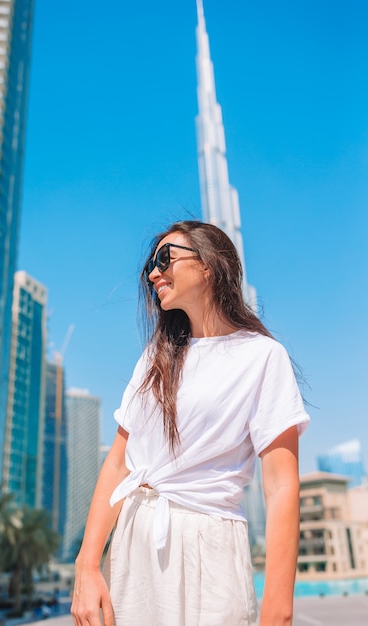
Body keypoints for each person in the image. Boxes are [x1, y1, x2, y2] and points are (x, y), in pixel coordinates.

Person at [71, 220, 309, 626]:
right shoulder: (155, 358)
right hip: (132, 541)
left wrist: (278, 610)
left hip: (209, 547)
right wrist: (86, 566)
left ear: (208, 266)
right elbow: (118, 464)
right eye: (150, 263)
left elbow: (281, 484)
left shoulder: (263, 357)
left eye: (165, 257)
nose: (153, 272)